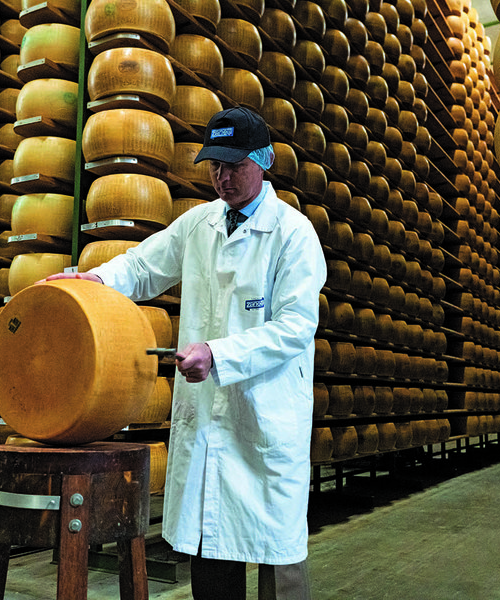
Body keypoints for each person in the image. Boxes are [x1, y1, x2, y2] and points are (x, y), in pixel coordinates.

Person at [46, 107, 327, 599]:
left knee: (274, 563)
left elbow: (295, 327)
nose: (223, 176)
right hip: (206, 417)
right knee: (211, 547)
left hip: (264, 417)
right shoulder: (199, 224)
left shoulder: (293, 233)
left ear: (263, 160)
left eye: (234, 165)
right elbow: (141, 266)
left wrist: (217, 355)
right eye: (215, 165)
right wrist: (95, 280)